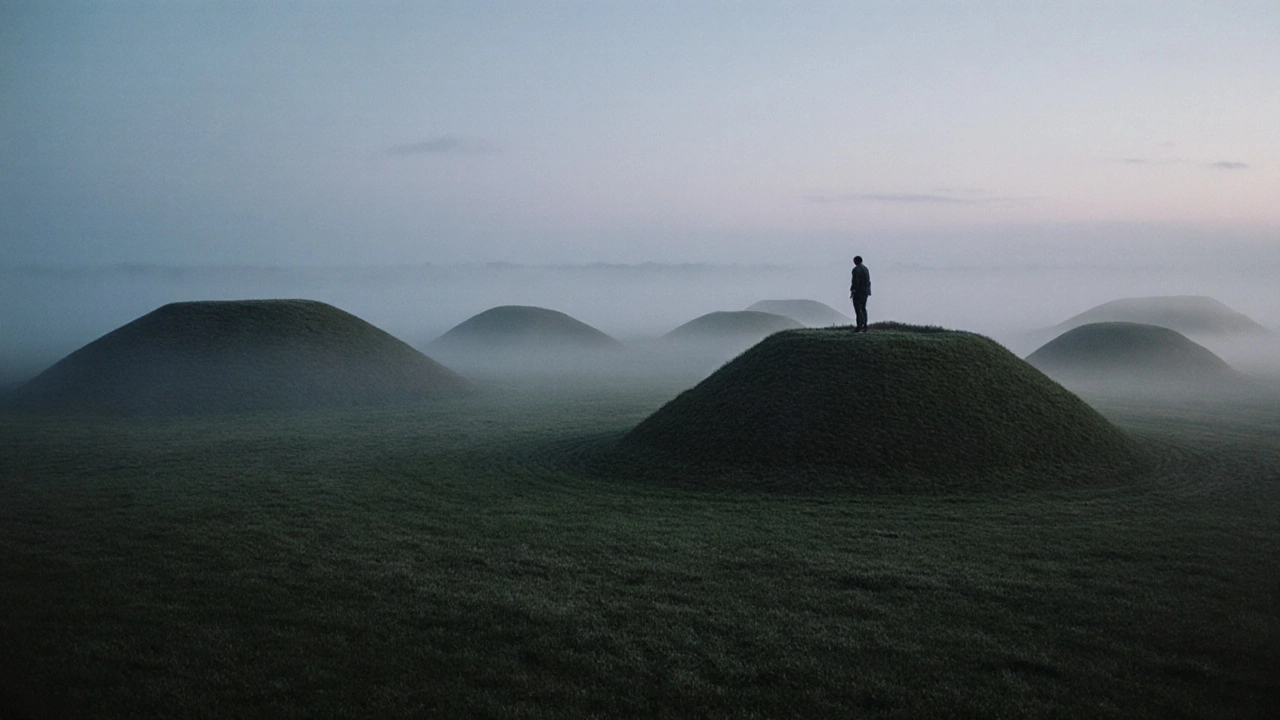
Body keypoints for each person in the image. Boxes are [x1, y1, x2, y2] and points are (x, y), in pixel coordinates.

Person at [849, 256, 871, 332]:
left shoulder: (855, 270)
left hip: (858, 292)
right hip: (865, 291)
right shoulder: (866, 269)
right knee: (863, 308)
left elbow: (855, 282)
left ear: (856, 261)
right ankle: (865, 326)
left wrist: (853, 291)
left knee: (858, 309)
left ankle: (859, 326)